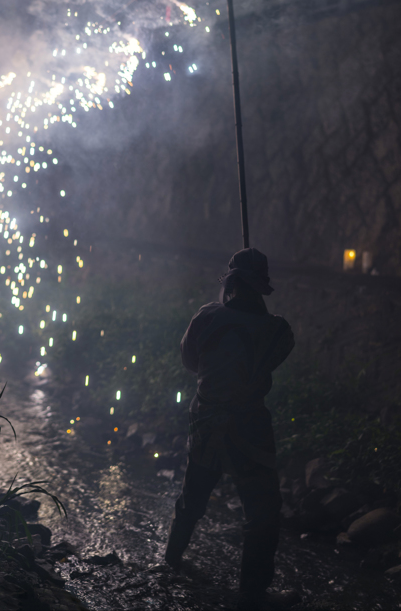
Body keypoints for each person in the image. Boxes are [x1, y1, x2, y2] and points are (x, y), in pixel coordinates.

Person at [164, 248, 298, 610]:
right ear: (261, 288)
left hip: (206, 422)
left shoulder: (206, 317)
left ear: (232, 283)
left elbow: (190, 362)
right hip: (249, 429)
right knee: (262, 514)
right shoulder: (278, 331)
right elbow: (271, 358)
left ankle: (171, 561)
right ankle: (252, 594)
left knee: (193, 498)